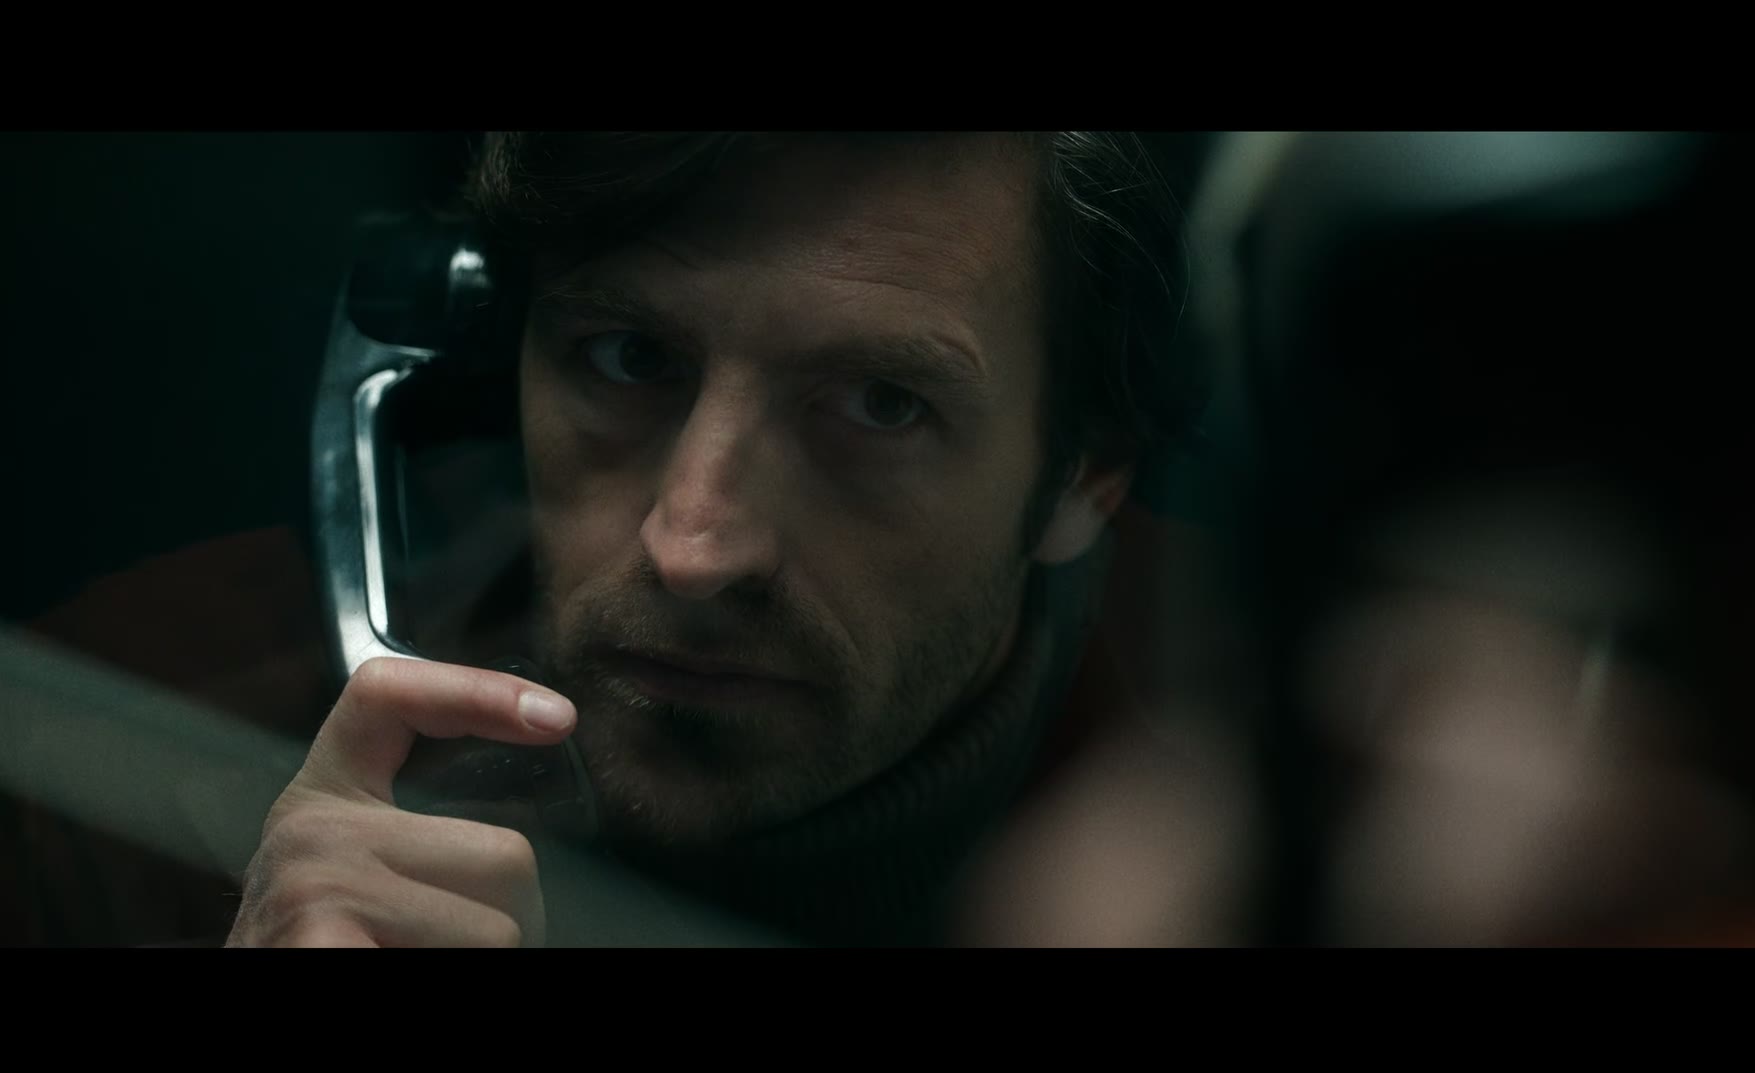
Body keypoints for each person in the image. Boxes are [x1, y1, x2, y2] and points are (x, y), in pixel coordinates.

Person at [9, 131, 1207, 947]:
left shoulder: (1264, 776)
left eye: (882, 405)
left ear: (1086, 474)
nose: (694, 545)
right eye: (629, 359)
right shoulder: (104, 768)